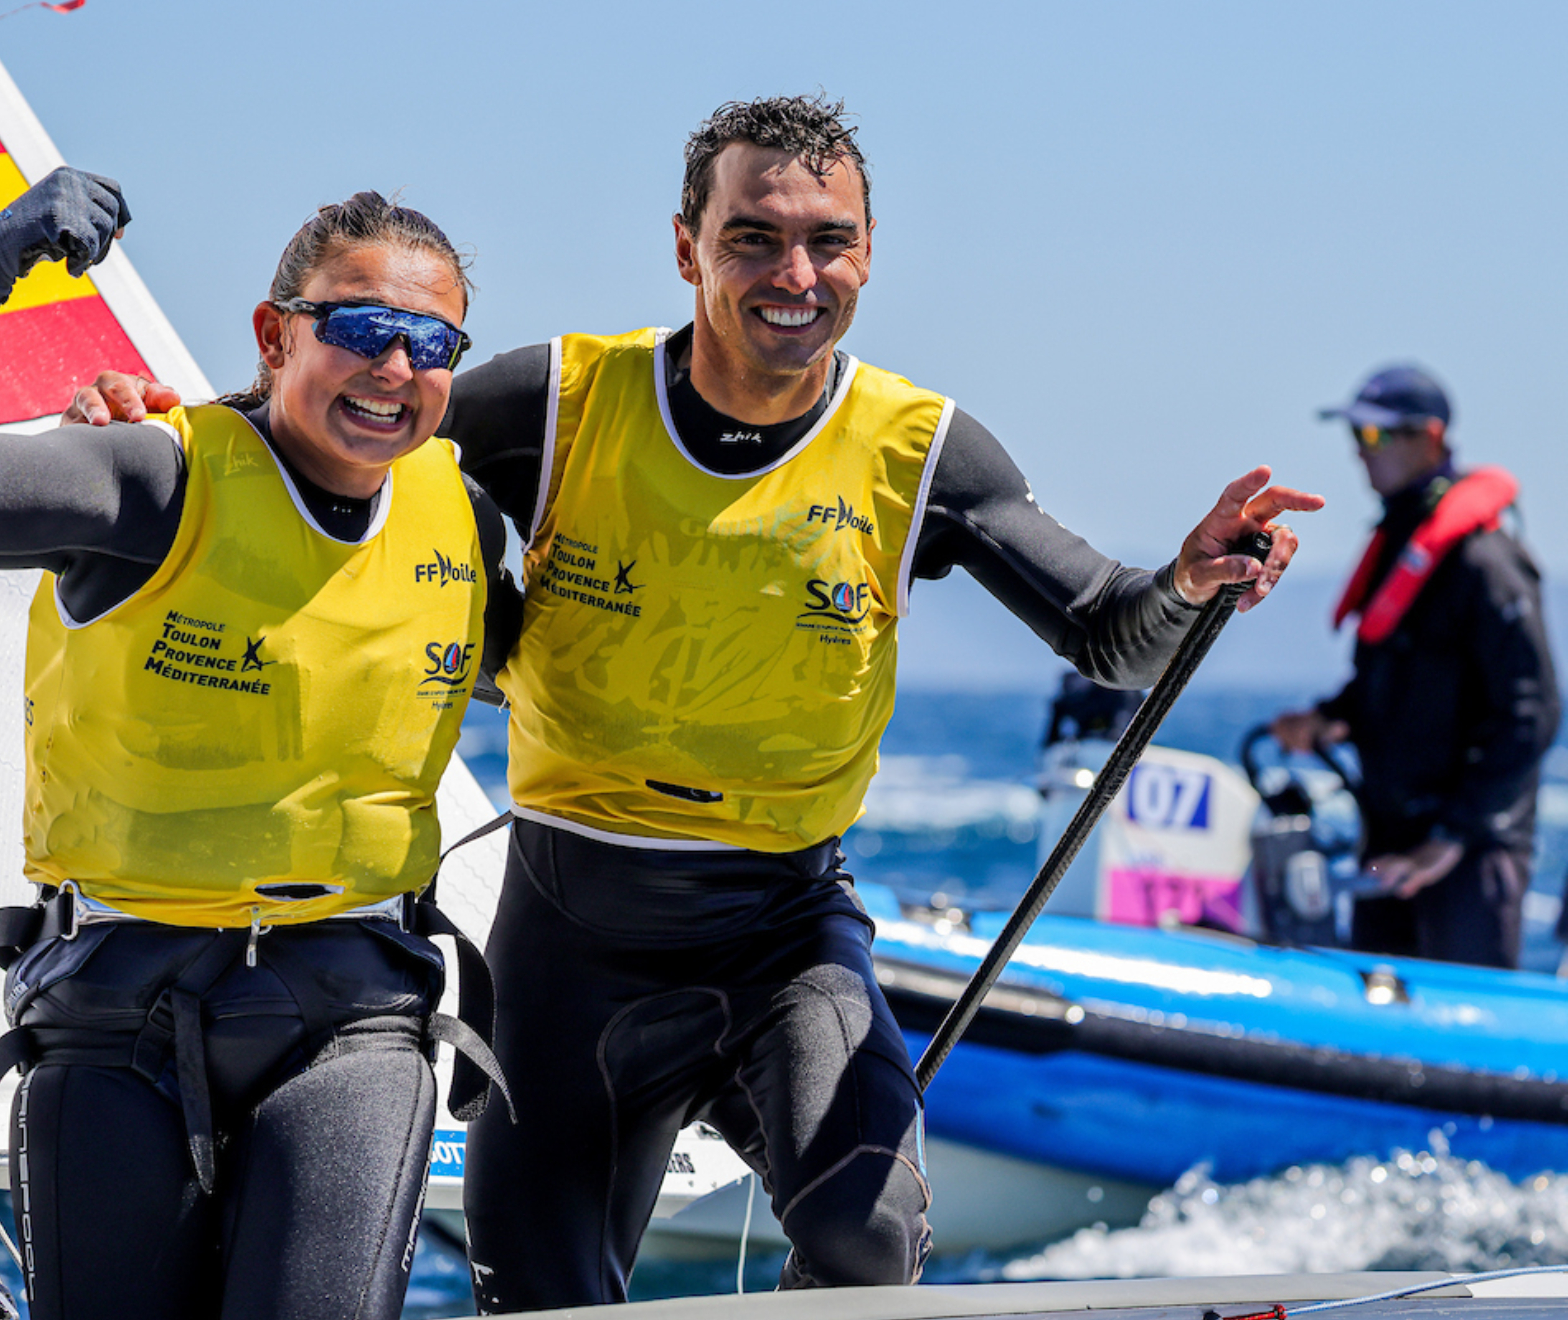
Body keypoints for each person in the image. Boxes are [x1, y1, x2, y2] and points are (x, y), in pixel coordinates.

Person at [66, 95, 1321, 1305]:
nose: (795, 273)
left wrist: (1188, 581)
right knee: (543, 1301)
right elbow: (324, 435)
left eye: (828, 240)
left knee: (865, 1236)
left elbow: (1107, 629)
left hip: (784, 935)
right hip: (569, 945)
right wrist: (165, 429)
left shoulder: (923, 452)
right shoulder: (557, 402)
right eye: (753, 237)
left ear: (869, 254)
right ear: (687, 248)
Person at [0, 168, 520, 1320]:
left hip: (352, 1013)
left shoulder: (463, 517)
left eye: (431, 344)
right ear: (276, 335)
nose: (396, 368)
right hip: (117, 1013)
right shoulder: (154, 476)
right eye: (360, 330)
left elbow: (568, 680)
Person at [1272, 365, 1557, 970]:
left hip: (1466, 855)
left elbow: (1532, 713)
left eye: (1376, 436)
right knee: (1373, 1007)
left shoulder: (1486, 561)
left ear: (1429, 437)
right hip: (1390, 845)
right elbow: (1395, 682)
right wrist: (1329, 719)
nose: (1360, 452)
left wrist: (1448, 841)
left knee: (1466, 1014)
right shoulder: (1401, 547)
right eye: (1356, 436)